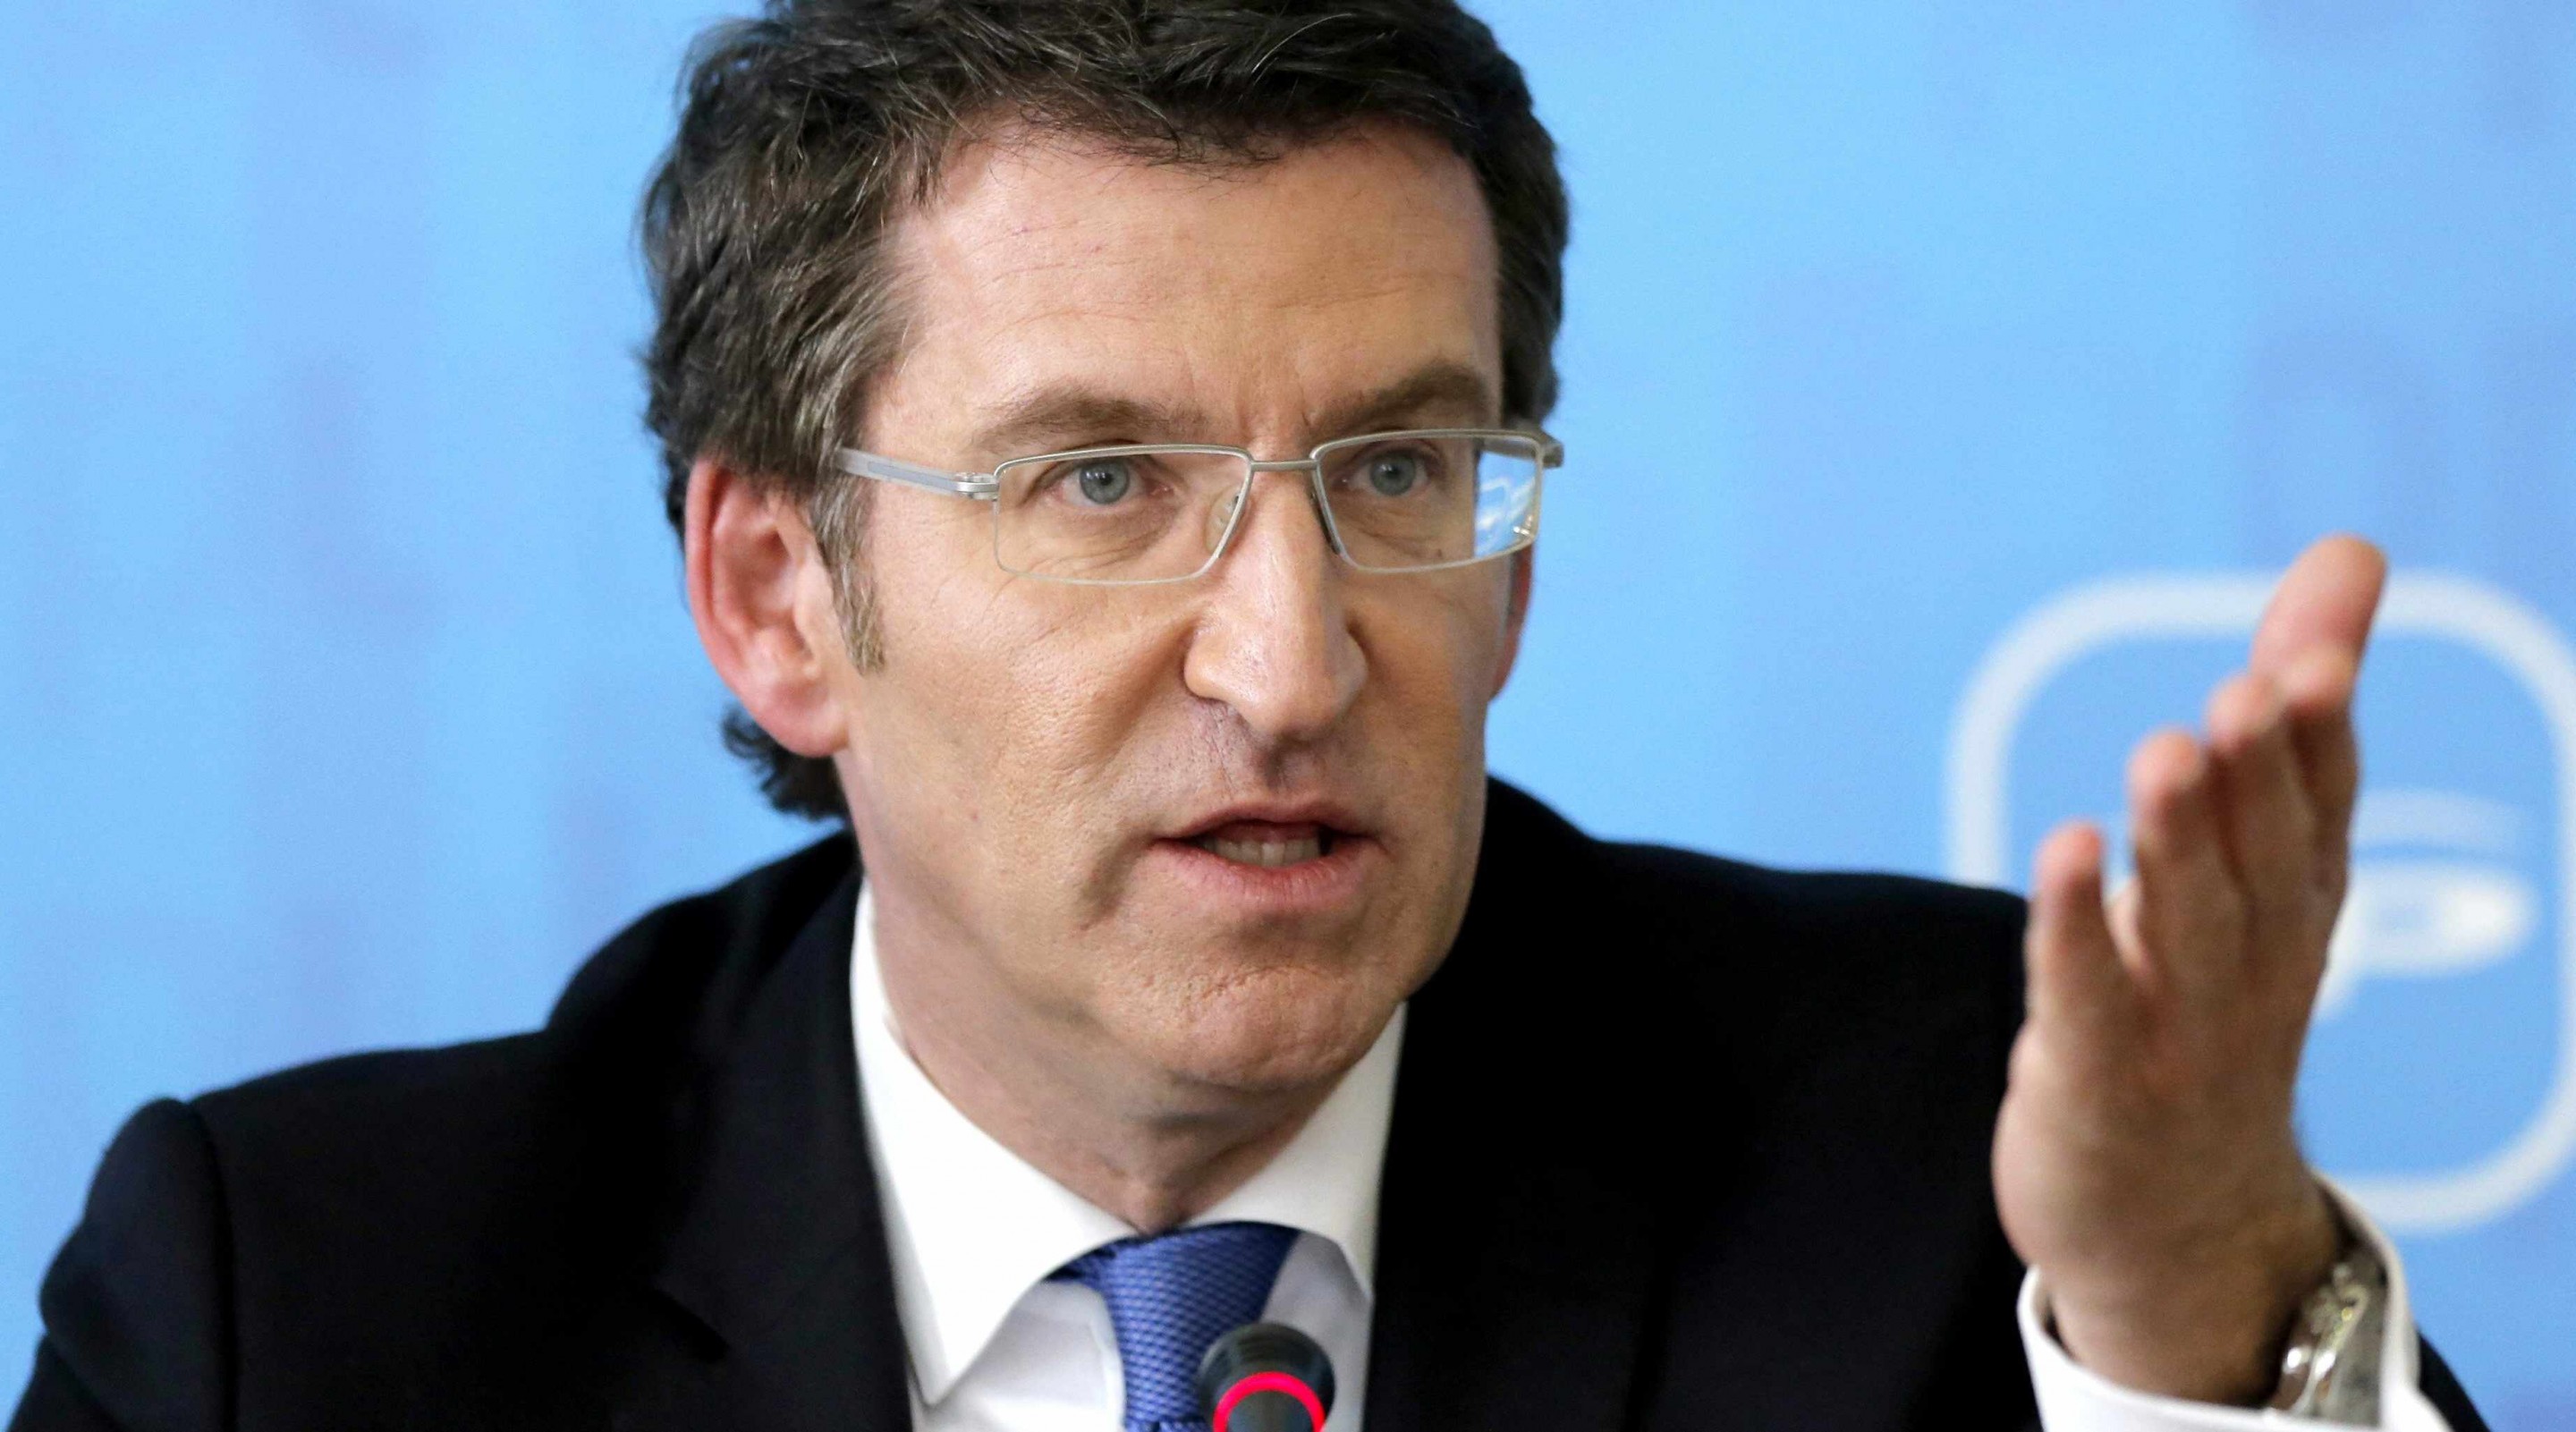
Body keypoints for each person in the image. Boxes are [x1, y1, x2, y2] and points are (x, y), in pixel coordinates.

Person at [8, 3, 2494, 1430]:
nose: (1293, 666)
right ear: (777, 594)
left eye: (1398, 472)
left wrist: (2192, 1317)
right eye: (1106, 482)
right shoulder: (306, 1319)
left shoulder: (1965, 1169)